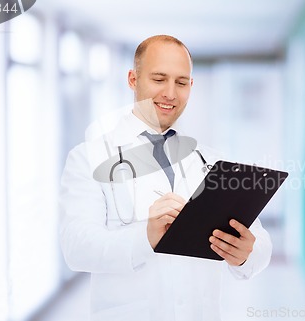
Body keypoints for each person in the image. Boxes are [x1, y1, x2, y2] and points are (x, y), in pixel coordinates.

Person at [59, 35, 272, 321]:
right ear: (133, 79)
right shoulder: (89, 157)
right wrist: (144, 236)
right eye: (159, 79)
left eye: (181, 82)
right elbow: (77, 247)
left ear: (191, 86)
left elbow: (259, 240)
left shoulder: (212, 161)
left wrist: (247, 252)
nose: (170, 93)